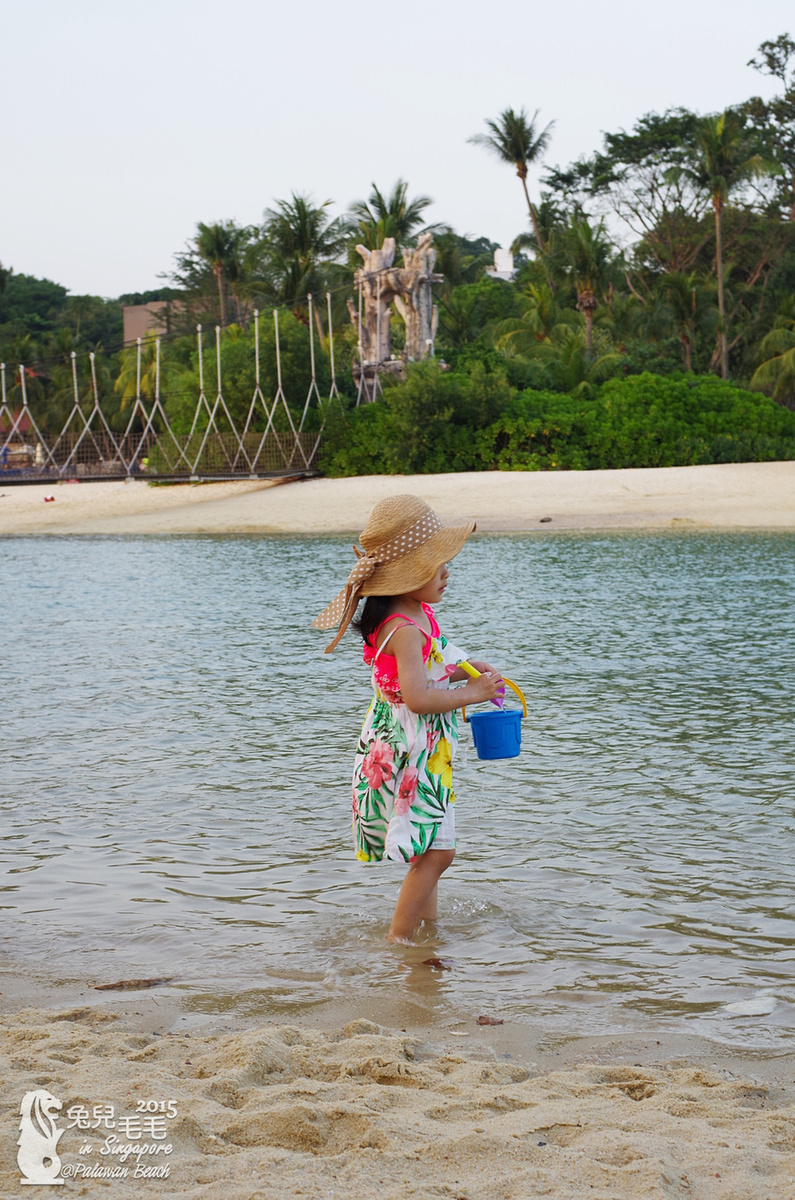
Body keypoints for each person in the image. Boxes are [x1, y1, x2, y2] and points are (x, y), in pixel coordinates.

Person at [313, 494, 503, 943]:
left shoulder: (419, 614)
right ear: (409, 574)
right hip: (408, 746)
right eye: (438, 566)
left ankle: (428, 934)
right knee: (440, 853)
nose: (446, 574)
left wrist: (469, 670)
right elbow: (417, 697)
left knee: (430, 847)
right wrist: (470, 693)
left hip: (426, 746)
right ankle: (399, 942)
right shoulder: (403, 629)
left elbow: (432, 666)